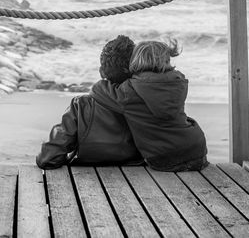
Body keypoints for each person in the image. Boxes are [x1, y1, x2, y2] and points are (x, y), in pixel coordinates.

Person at [90, 39, 208, 172]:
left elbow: (98, 90)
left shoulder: (129, 91)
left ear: (135, 61)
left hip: (166, 158)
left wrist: (103, 76)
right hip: (197, 150)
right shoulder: (178, 82)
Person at [36, 35, 143, 169]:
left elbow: (48, 158)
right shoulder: (148, 102)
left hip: (88, 172)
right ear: (136, 70)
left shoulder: (81, 105)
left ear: (101, 72)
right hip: (137, 170)